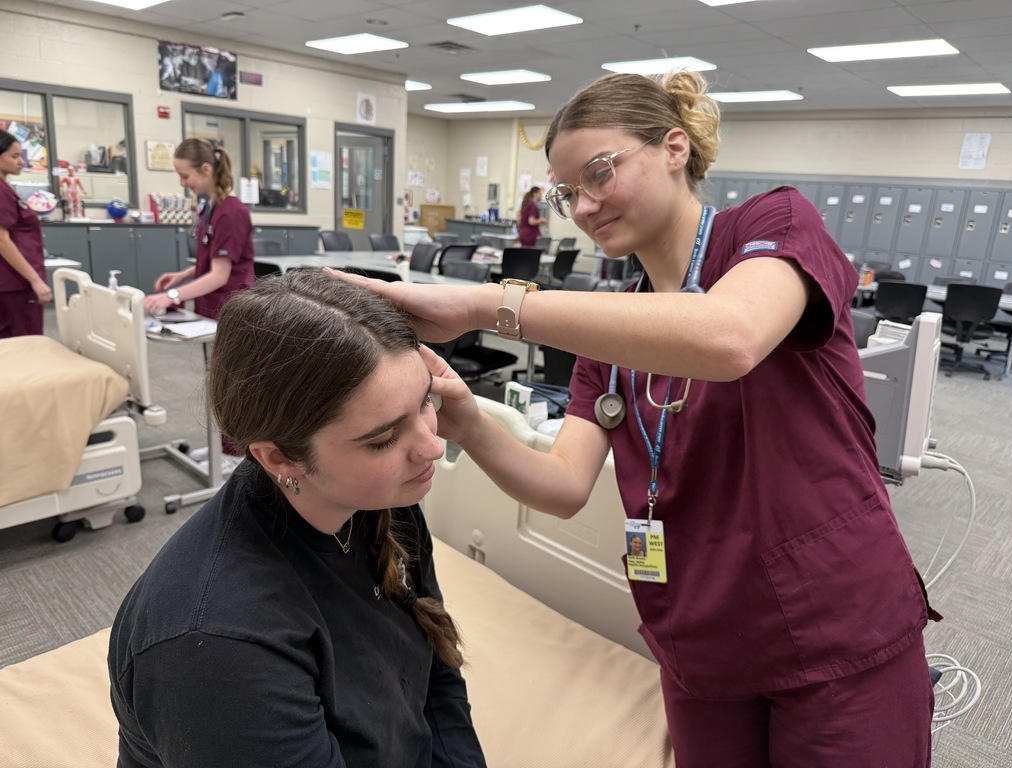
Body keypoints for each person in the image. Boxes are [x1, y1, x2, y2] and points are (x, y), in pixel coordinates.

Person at [335, 70, 939, 768]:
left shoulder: (774, 225)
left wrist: (483, 305)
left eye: (600, 173)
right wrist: (469, 422)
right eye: (567, 193)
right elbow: (563, 486)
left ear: (674, 147)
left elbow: (731, 337)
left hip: (833, 627)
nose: (585, 206)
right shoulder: (614, 327)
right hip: (698, 635)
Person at [109, 270, 487, 768]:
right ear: (280, 458)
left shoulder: (382, 506)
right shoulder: (216, 649)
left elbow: (435, 678)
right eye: (381, 439)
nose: (434, 446)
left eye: (425, 403)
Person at [143, 138, 254, 320]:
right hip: (209, 307)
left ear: (206, 169)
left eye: (185, 176)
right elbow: (214, 259)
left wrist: (170, 296)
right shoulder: (212, 207)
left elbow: (219, 275)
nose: (182, 183)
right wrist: (183, 275)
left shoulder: (231, 213)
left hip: (230, 311)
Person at [0, 129, 51, 338]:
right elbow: (2, 240)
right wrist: (35, 280)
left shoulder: (6, 188)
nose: (21, 161)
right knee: (24, 342)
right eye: (14, 156)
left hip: (11, 282)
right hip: (15, 283)